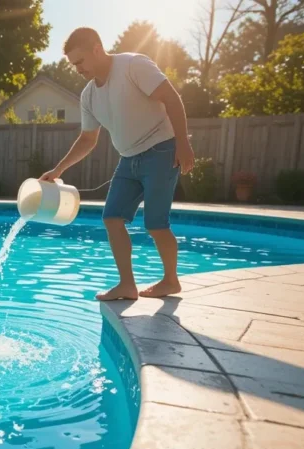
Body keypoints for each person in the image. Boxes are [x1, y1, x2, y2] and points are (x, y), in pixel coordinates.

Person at [40, 27, 195, 301]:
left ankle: (171, 281)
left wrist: (182, 142)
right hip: (128, 159)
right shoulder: (88, 95)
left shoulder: (133, 65)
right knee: (111, 218)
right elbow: (88, 139)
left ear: (96, 49)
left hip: (161, 150)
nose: (77, 69)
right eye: (73, 64)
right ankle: (127, 285)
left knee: (156, 224)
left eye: (80, 62)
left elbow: (171, 98)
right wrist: (58, 170)